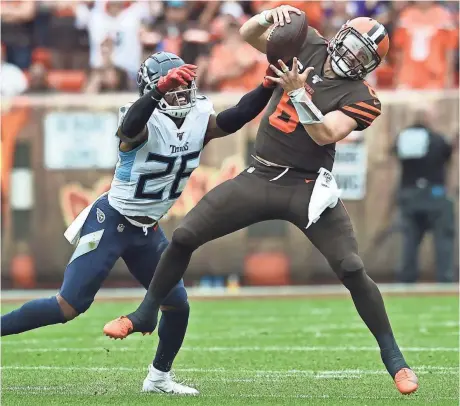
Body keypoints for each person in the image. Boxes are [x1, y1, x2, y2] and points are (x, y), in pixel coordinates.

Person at [104, 6, 419, 396]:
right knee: (185, 235)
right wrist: (270, 15)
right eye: (352, 47)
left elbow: (324, 133)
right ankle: (146, 312)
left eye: (363, 57)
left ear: (370, 66)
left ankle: (395, 360)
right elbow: (255, 37)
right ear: (338, 38)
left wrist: (298, 93)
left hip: (307, 188)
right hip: (262, 174)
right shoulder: (309, 43)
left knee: (351, 266)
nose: (352, 58)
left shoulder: (363, 97)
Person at [1, 51, 275, 394]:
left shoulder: (198, 118)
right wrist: (157, 93)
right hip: (112, 220)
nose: (180, 94)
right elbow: (130, 128)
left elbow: (237, 116)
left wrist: (267, 85)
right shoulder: (141, 122)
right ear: (153, 90)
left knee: (177, 304)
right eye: (171, 88)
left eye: (183, 86)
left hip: (148, 229)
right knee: (68, 305)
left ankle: (158, 378)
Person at [393, 107, 455, 283]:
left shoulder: (403, 137)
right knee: (443, 239)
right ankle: (445, 279)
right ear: (429, 118)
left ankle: (406, 280)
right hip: (435, 196)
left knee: (409, 240)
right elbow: (447, 153)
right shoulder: (437, 139)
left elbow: (394, 152)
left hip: (409, 194)